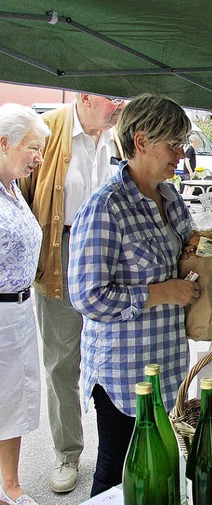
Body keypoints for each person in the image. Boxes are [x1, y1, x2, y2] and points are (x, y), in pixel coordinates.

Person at [67, 94, 212, 496]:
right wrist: (160, 293)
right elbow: (88, 297)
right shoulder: (106, 207)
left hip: (168, 364)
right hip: (123, 376)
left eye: (183, 143)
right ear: (141, 142)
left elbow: (201, 253)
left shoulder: (171, 197)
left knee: (164, 467)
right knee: (119, 474)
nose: (182, 154)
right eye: (173, 144)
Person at [18, 93, 125, 493]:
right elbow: (18, 192)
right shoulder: (48, 131)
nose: (119, 106)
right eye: (112, 98)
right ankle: (67, 453)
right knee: (63, 363)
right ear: (84, 96)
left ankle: (117, 447)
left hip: (109, 263)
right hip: (60, 261)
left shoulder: (118, 137)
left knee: (113, 358)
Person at [0, 104, 50, 505]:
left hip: (18, 309)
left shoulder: (14, 189)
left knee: (13, 398)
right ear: (4, 143)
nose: (38, 157)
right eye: (32, 147)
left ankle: (10, 485)